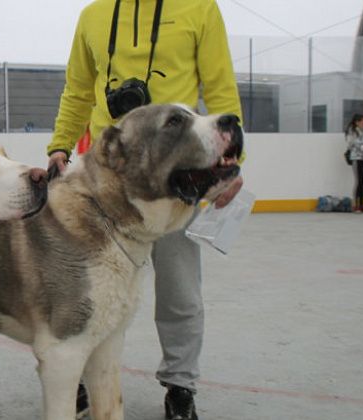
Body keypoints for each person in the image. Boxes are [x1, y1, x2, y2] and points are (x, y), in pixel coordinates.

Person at [46, 1, 244, 419]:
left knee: (179, 290)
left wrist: (230, 161)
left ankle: (180, 385)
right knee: (88, 290)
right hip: (107, 179)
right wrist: (60, 145)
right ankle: (81, 380)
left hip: (177, 172)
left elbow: (222, 86)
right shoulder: (93, 14)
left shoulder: (199, 9)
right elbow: (79, 88)